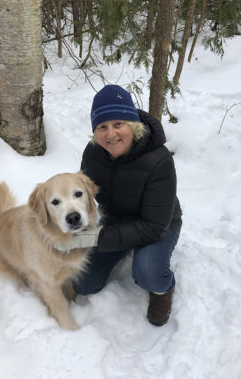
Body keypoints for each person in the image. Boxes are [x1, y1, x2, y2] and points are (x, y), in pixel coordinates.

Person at [60, 84, 182, 326]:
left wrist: (95, 238)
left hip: (159, 225)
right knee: (84, 283)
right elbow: (84, 192)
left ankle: (162, 289)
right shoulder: (94, 151)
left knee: (147, 272)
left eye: (118, 124)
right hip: (116, 220)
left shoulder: (159, 161)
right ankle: (124, 248)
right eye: (102, 127)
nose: (111, 134)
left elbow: (154, 226)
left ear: (132, 125)